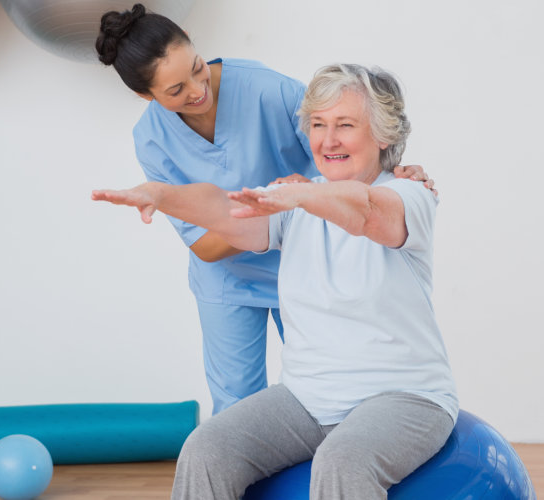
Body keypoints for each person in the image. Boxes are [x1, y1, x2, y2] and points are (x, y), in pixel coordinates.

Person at [92, 63, 455, 500]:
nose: (327, 139)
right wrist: (162, 194)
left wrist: (299, 195)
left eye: (345, 125)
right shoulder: (296, 199)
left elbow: (366, 212)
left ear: (382, 135)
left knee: (343, 461)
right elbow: (224, 211)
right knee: (207, 447)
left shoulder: (409, 196)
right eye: (318, 125)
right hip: (306, 400)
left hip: (404, 398)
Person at [94, 5, 434, 415]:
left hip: (312, 263)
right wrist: (268, 214)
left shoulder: (268, 90)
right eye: (175, 91)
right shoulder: (151, 139)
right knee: (237, 408)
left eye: (197, 68)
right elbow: (203, 244)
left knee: (333, 398)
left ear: (191, 38)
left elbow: (345, 147)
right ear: (143, 95)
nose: (197, 90)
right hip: (228, 281)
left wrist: (395, 172)